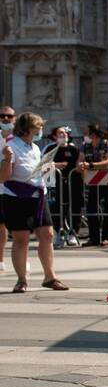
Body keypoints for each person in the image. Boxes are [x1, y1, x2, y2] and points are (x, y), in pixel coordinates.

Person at [0, 112, 68, 292]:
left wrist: (48, 167)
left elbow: (36, 170)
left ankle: (50, 276)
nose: (40, 130)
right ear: (28, 129)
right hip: (16, 197)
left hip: (38, 196)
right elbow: (4, 177)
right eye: (38, 127)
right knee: (21, 239)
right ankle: (21, 280)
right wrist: (7, 159)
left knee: (47, 235)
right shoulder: (11, 146)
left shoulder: (35, 148)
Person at [78, 124, 108, 247]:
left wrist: (90, 165)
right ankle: (93, 237)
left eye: (87, 133)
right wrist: (80, 165)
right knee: (91, 209)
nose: (85, 136)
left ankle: (106, 237)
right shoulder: (85, 146)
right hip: (93, 181)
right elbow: (80, 159)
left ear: (93, 135)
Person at [47, 127, 83, 244]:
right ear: (54, 136)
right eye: (60, 133)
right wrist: (55, 165)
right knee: (58, 208)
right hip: (57, 184)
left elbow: (80, 161)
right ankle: (59, 233)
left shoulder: (74, 148)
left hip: (74, 183)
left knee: (75, 207)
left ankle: (73, 233)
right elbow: (42, 164)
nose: (63, 134)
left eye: (64, 132)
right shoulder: (50, 148)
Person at [0, 104, 14, 271]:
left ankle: (2, 258)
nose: (5, 119)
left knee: (7, 226)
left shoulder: (17, 139)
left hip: (12, 188)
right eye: (2, 116)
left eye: (9, 116)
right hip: (0, 187)